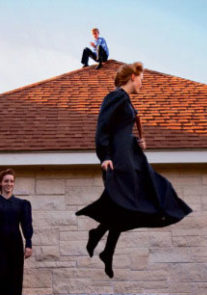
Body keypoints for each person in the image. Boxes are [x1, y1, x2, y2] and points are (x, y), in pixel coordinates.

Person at [76, 62, 192, 278]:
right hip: (118, 161)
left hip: (130, 156)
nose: (142, 83)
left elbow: (120, 131)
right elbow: (103, 126)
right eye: (141, 79)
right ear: (131, 77)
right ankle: (101, 241)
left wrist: (135, 141)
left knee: (137, 199)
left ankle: (104, 246)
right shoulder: (116, 96)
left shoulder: (126, 101)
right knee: (128, 203)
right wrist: (105, 156)